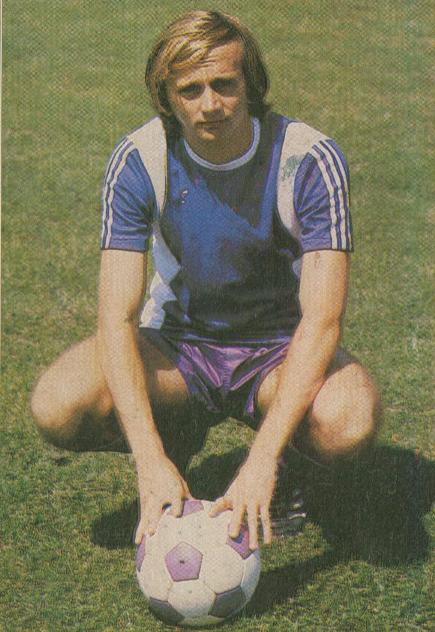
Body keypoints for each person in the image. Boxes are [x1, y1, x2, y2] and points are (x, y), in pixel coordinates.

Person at [31, 10, 380, 551]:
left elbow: (322, 319)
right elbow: (116, 318)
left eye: (224, 84)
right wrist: (149, 458)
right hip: (178, 347)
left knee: (348, 419)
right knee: (58, 404)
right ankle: (177, 433)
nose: (210, 104)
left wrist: (261, 461)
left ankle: (286, 466)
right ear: (165, 96)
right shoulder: (140, 159)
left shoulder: (308, 159)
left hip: (278, 352)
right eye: (190, 90)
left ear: (252, 83)